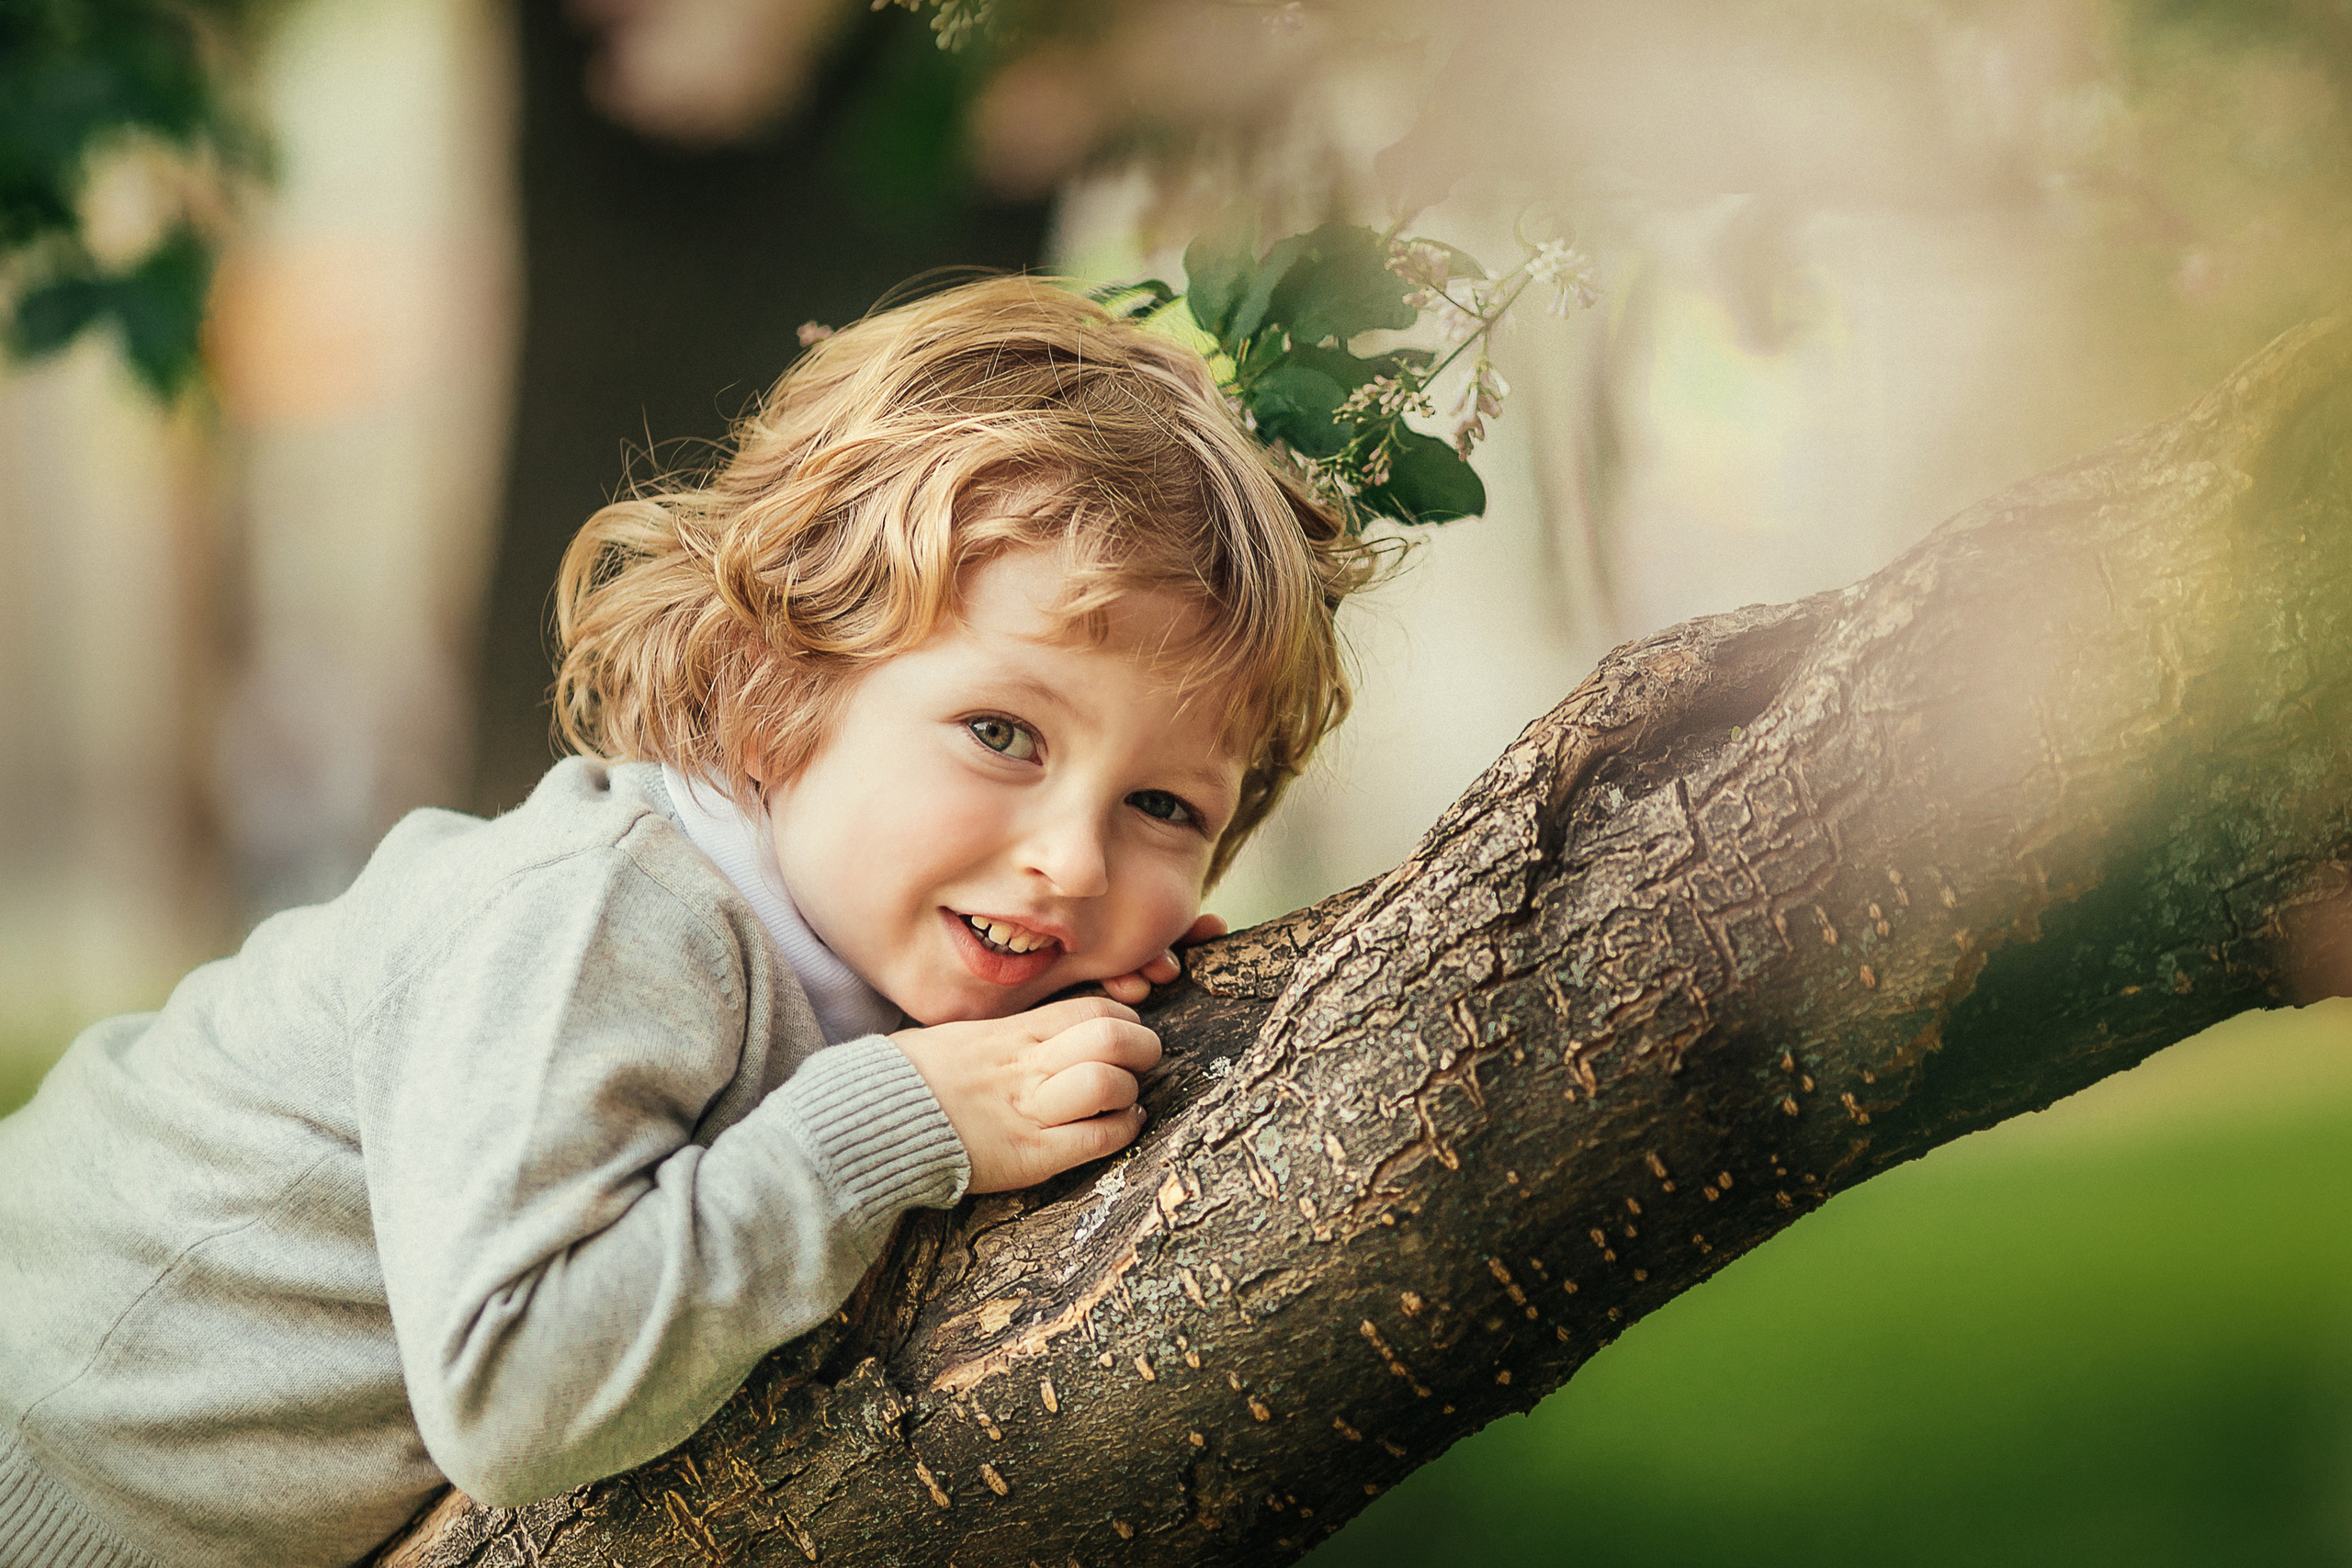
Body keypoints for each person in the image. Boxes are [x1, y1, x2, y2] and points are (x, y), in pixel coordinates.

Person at [0, 276, 1374, 1568]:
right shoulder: (605, 915)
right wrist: (894, 1121)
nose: (1071, 863)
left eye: (1161, 807)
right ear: (778, 690)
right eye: (1002, 733)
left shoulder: (853, 933)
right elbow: (516, 1391)